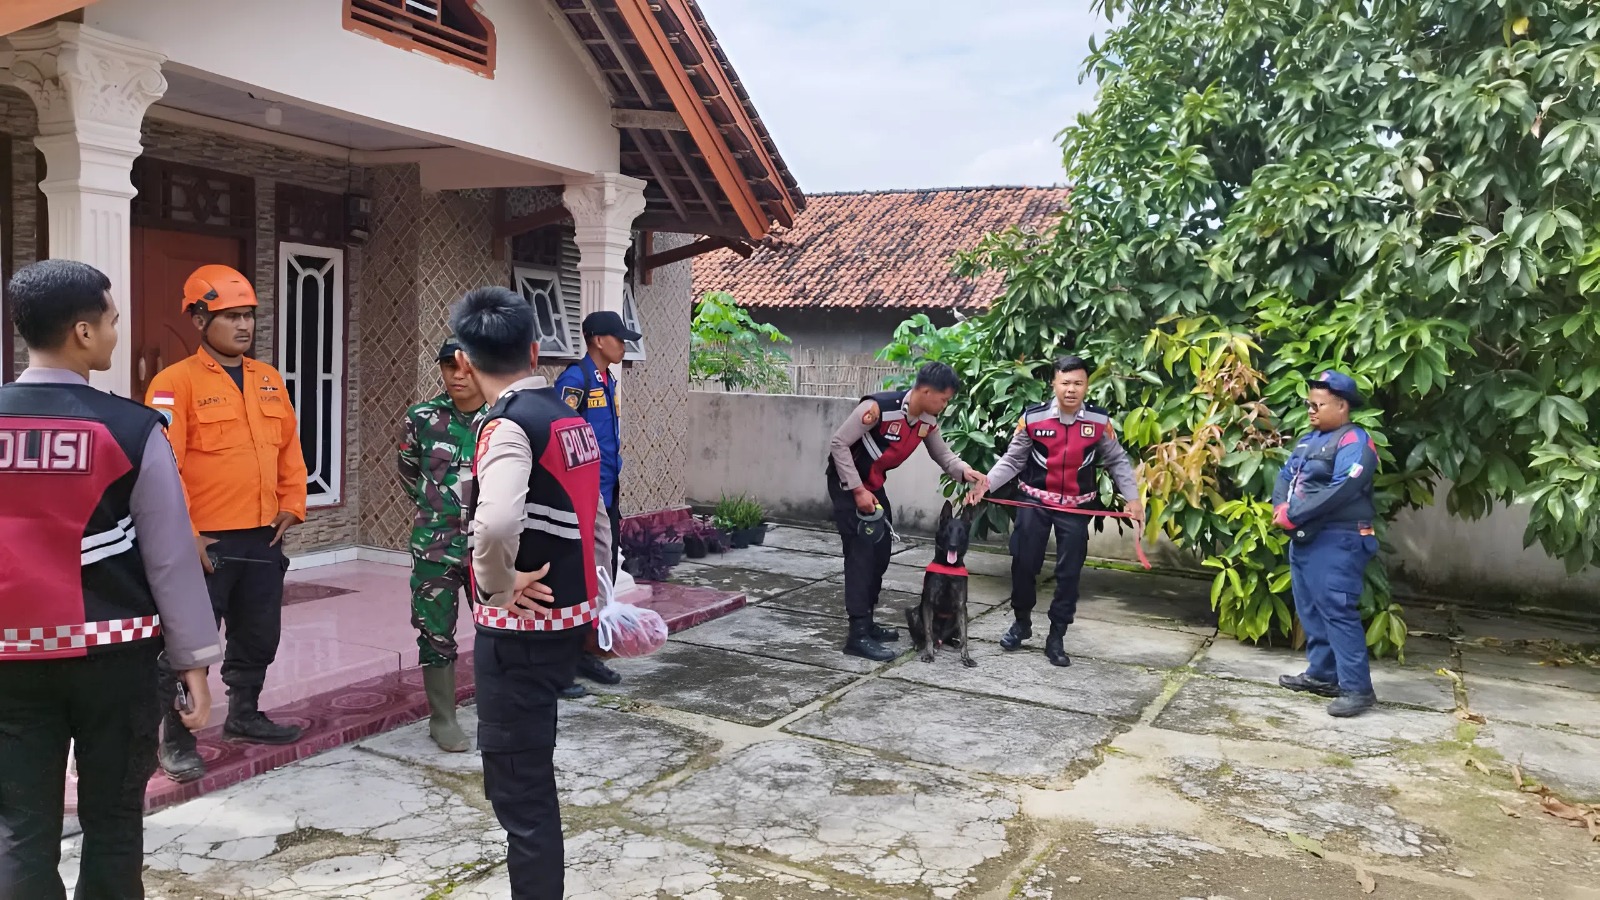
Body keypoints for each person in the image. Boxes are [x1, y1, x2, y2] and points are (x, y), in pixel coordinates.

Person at [0, 259, 221, 899]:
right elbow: (170, 556)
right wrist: (194, 662)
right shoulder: (132, 429)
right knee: (115, 821)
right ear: (83, 332)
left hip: (9, 660)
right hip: (115, 659)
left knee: (18, 826)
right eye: (113, 320)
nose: (117, 333)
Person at [454, 286, 611, 900]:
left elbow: (494, 525)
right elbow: (596, 514)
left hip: (520, 631)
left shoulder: (508, 425)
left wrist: (496, 587)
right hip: (568, 618)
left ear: (465, 361)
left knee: (521, 794)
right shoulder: (569, 417)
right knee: (531, 779)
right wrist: (597, 596)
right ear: (535, 351)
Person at [145, 264, 309, 782]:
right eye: (230, 316)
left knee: (258, 633)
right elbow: (163, 467)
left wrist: (293, 501)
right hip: (205, 543)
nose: (243, 326)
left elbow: (289, 449)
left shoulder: (268, 379)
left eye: (248, 316)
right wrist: (184, 535)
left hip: (263, 536)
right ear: (199, 320)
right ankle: (177, 740)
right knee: (187, 642)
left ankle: (244, 715)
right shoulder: (174, 383)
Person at [969, 357, 1143, 667]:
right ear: (1054, 384)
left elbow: (1117, 460)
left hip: (1076, 506)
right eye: (1065, 383)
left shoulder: (1099, 422)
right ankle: (1021, 623)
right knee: (1024, 563)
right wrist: (986, 484)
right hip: (1034, 501)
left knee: (1069, 573)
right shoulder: (1032, 418)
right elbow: (1013, 460)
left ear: (1086, 386)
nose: (1071, 389)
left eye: (1078, 383)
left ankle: (1057, 636)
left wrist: (1132, 498)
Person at [826, 361, 988, 662]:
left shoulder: (926, 421)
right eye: (943, 399)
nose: (945, 405)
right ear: (926, 391)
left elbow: (944, 455)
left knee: (881, 553)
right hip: (848, 486)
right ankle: (857, 635)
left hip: (873, 487)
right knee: (862, 555)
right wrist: (857, 490)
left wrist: (967, 473)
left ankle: (868, 621)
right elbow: (839, 443)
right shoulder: (878, 409)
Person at [1270, 370, 1381, 718]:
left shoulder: (1355, 441)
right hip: (1306, 537)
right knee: (1310, 608)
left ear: (1342, 406)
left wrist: (1295, 514)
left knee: (1337, 609)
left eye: (1318, 405)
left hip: (1339, 538)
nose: (1311, 411)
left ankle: (1357, 689)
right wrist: (1280, 508)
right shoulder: (1308, 441)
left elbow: (1343, 488)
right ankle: (1323, 675)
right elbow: (1285, 476)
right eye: (1309, 404)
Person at [396, 338, 485, 752]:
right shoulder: (421, 418)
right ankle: (443, 719)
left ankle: (500, 712)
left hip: (489, 548)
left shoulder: (502, 418)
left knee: (498, 631)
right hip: (435, 546)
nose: (457, 375)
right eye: (449, 366)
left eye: (466, 365)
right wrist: (440, 510)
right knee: (434, 632)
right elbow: (409, 473)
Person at [552, 310, 637, 695]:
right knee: (577, 576)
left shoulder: (607, 378)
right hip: (582, 494)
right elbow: (560, 436)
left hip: (607, 489)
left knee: (603, 571)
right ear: (598, 340)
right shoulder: (576, 379)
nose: (624, 346)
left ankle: (588, 648)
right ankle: (563, 660)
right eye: (619, 339)